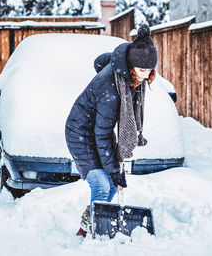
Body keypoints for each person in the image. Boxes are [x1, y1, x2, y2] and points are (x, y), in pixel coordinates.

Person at [65, 24, 158, 238]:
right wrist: (114, 171)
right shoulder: (111, 87)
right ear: (131, 64)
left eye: (149, 70)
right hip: (80, 132)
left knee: (111, 186)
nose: (145, 76)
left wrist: (116, 169)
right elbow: (102, 134)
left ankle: (90, 225)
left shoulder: (127, 77)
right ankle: (86, 233)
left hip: (97, 129)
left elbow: (105, 131)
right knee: (101, 182)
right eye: (142, 70)